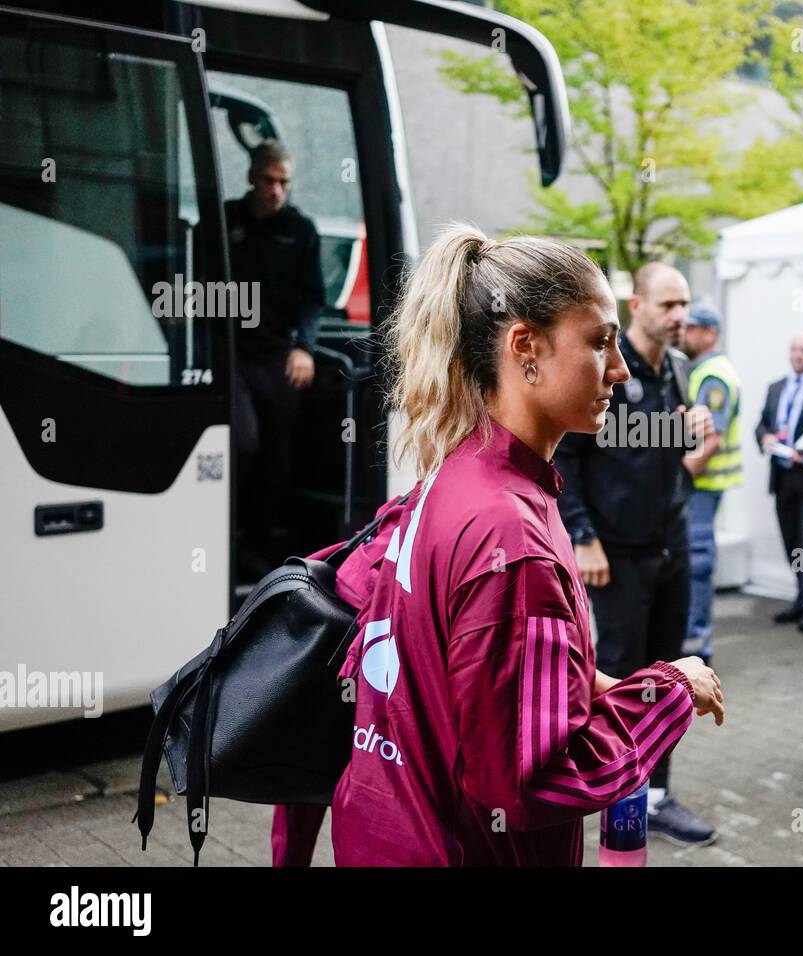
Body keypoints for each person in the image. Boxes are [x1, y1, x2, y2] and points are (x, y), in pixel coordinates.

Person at [275, 225, 724, 867]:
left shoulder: (454, 476)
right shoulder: (512, 539)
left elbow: (466, 674)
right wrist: (668, 691)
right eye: (600, 342)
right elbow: (528, 781)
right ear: (526, 348)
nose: (620, 370)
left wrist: (598, 684)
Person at [554, 262, 719, 847]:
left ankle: (656, 795)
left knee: (671, 672)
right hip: (616, 553)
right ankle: (615, 799)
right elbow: (568, 458)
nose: (680, 316)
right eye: (669, 305)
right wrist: (582, 536)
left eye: (684, 305)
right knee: (623, 679)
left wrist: (690, 433)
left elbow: (663, 455)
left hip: (670, 543)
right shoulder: (609, 369)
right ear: (637, 305)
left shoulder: (678, 367)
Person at [227, 140, 325, 576]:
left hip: (276, 357)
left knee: (279, 461)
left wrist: (304, 346)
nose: (276, 190)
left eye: (284, 182)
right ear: (252, 177)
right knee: (241, 443)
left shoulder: (300, 230)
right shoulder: (226, 219)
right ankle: (226, 537)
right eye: (269, 180)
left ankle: (260, 551)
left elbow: (313, 298)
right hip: (230, 358)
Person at [681, 303, 743, 665]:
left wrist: (683, 476)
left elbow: (711, 438)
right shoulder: (705, 370)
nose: (684, 333)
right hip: (704, 485)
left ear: (709, 333)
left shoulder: (712, 376)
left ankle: (696, 643)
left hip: (701, 484)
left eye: (692, 327)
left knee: (697, 561)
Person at [756, 335, 803, 633]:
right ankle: (800, 597)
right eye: (794, 349)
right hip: (783, 477)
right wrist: (765, 437)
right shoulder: (776, 387)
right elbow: (762, 422)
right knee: (791, 543)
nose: (798, 355)